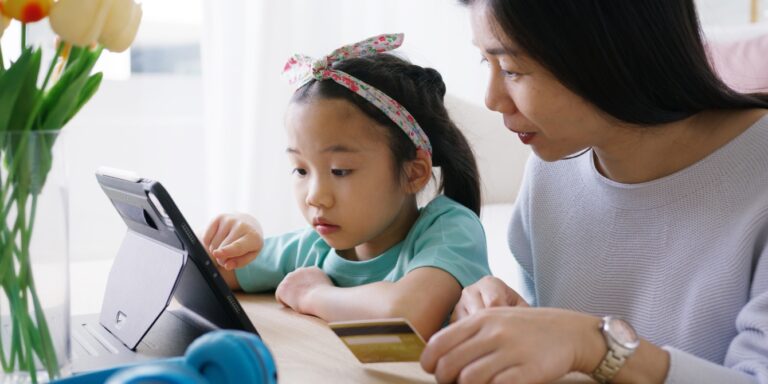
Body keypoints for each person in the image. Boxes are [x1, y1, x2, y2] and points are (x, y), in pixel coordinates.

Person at [419, 1, 768, 383]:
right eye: (488, 62)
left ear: (610, 51)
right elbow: (556, 338)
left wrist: (596, 345)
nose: (492, 99)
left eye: (512, 69)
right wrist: (513, 320)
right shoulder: (552, 172)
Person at [202, 34, 490, 340]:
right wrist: (237, 233)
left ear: (413, 173)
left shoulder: (449, 231)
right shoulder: (314, 247)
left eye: (340, 171)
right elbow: (204, 270)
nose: (315, 197)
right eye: (300, 169)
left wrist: (314, 296)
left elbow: (407, 314)